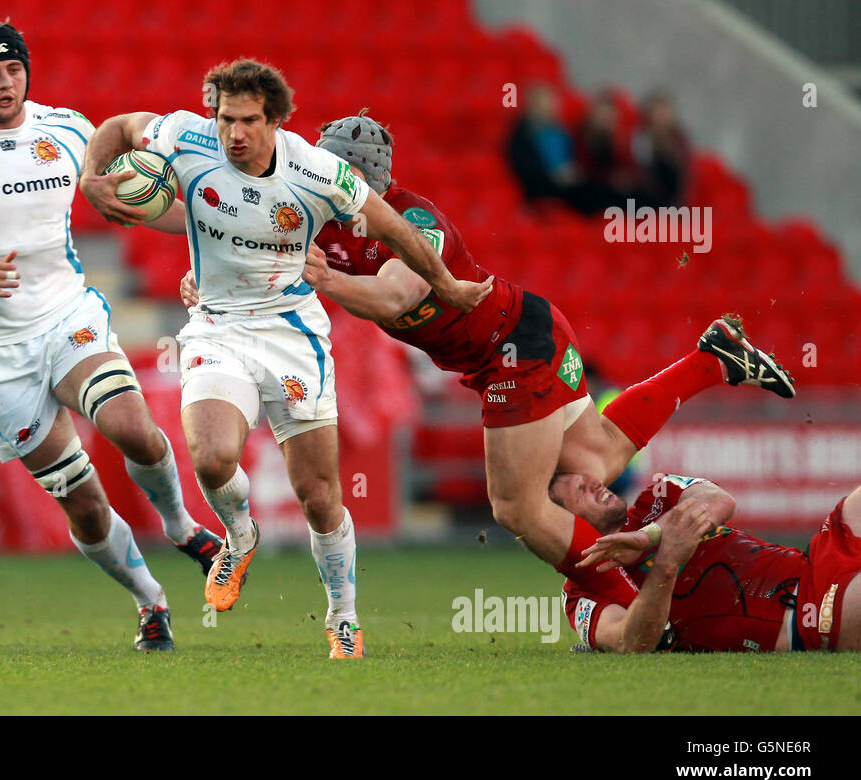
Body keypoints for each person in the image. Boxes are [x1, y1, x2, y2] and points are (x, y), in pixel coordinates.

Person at [193, 111, 795, 595]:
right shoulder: (318, 219)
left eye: (329, 168)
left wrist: (329, 283)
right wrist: (211, 282)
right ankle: (713, 360)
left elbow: (399, 295)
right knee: (600, 459)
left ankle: (626, 601)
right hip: (515, 338)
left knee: (515, 506)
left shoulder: (411, 218)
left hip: (514, 344)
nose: (315, 176)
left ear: (360, 176)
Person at [81, 61, 492, 658]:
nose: (234, 133)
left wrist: (449, 286)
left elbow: (399, 230)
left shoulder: (317, 172)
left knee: (319, 495)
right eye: (226, 118)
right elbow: (119, 126)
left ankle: (343, 617)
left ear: (275, 121)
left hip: (292, 333)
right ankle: (240, 533)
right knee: (213, 457)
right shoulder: (186, 137)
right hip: (217, 327)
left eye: (249, 120)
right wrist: (94, 176)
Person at [0, 17, 221, 653]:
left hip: (67, 314)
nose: (5, 83)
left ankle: (183, 528)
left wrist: (211, 231)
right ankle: (150, 601)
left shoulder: (68, 130)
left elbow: (130, 199)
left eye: (13, 69)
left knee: (132, 429)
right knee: (86, 506)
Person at [553, 470, 861, 654]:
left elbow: (720, 501)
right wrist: (667, 562)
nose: (595, 483)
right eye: (581, 490)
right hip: (809, 614)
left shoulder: (656, 497)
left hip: (816, 557)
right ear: (561, 523)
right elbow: (628, 643)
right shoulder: (583, 590)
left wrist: (651, 537)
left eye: (587, 478)